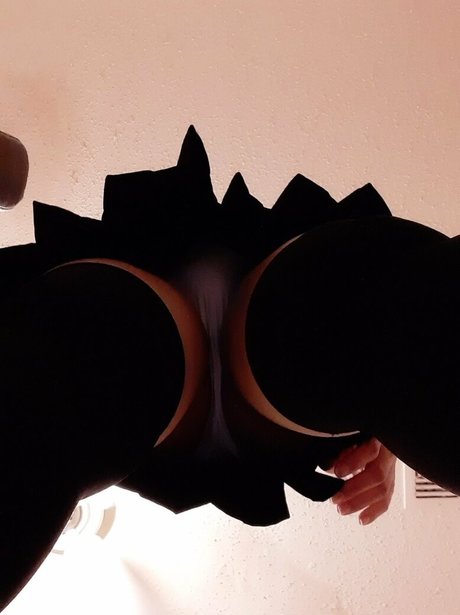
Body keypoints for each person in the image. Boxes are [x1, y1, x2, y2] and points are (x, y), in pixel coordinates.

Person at [0, 126, 415, 610]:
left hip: (148, 350)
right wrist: (404, 405)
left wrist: (404, 405)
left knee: (90, 373)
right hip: (173, 352)